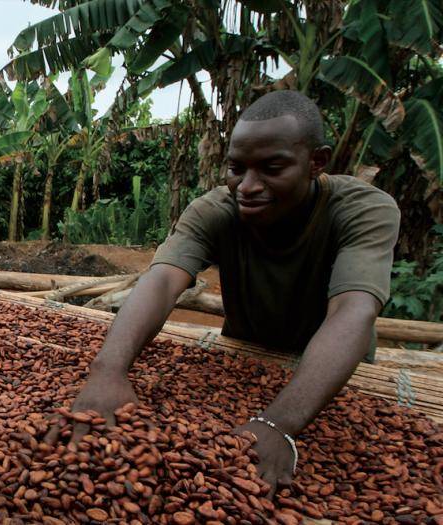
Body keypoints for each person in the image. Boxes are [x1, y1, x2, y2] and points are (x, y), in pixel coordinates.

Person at [47, 90, 400, 497]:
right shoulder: (217, 210)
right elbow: (161, 280)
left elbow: (352, 311)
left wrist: (278, 424)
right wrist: (108, 370)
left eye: (272, 168)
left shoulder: (362, 210)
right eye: (236, 168)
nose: (248, 186)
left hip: (331, 378)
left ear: (316, 163)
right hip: (242, 355)